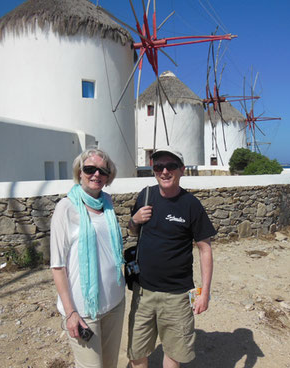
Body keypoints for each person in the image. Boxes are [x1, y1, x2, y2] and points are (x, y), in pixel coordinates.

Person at [127, 148, 217, 368]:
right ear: (153, 170)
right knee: (136, 350)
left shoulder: (191, 204)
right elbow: (132, 232)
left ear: (182, 170)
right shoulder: (145, 195)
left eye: (171, 166)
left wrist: (204, 293)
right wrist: (135, 220)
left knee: (174, 353)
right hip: (143, 292)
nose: (165, 171)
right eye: (159, 167)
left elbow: (205, 249)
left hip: (179, 294)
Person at [50, 148, 125, 368]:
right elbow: (57, 265)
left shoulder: (107, 203)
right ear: (80, 172)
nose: (96, 174)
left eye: (103, 170)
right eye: (90, 169)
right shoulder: (66, 208)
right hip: (83, 310)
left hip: (115, 302)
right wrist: (70, 312)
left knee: (110, 364)